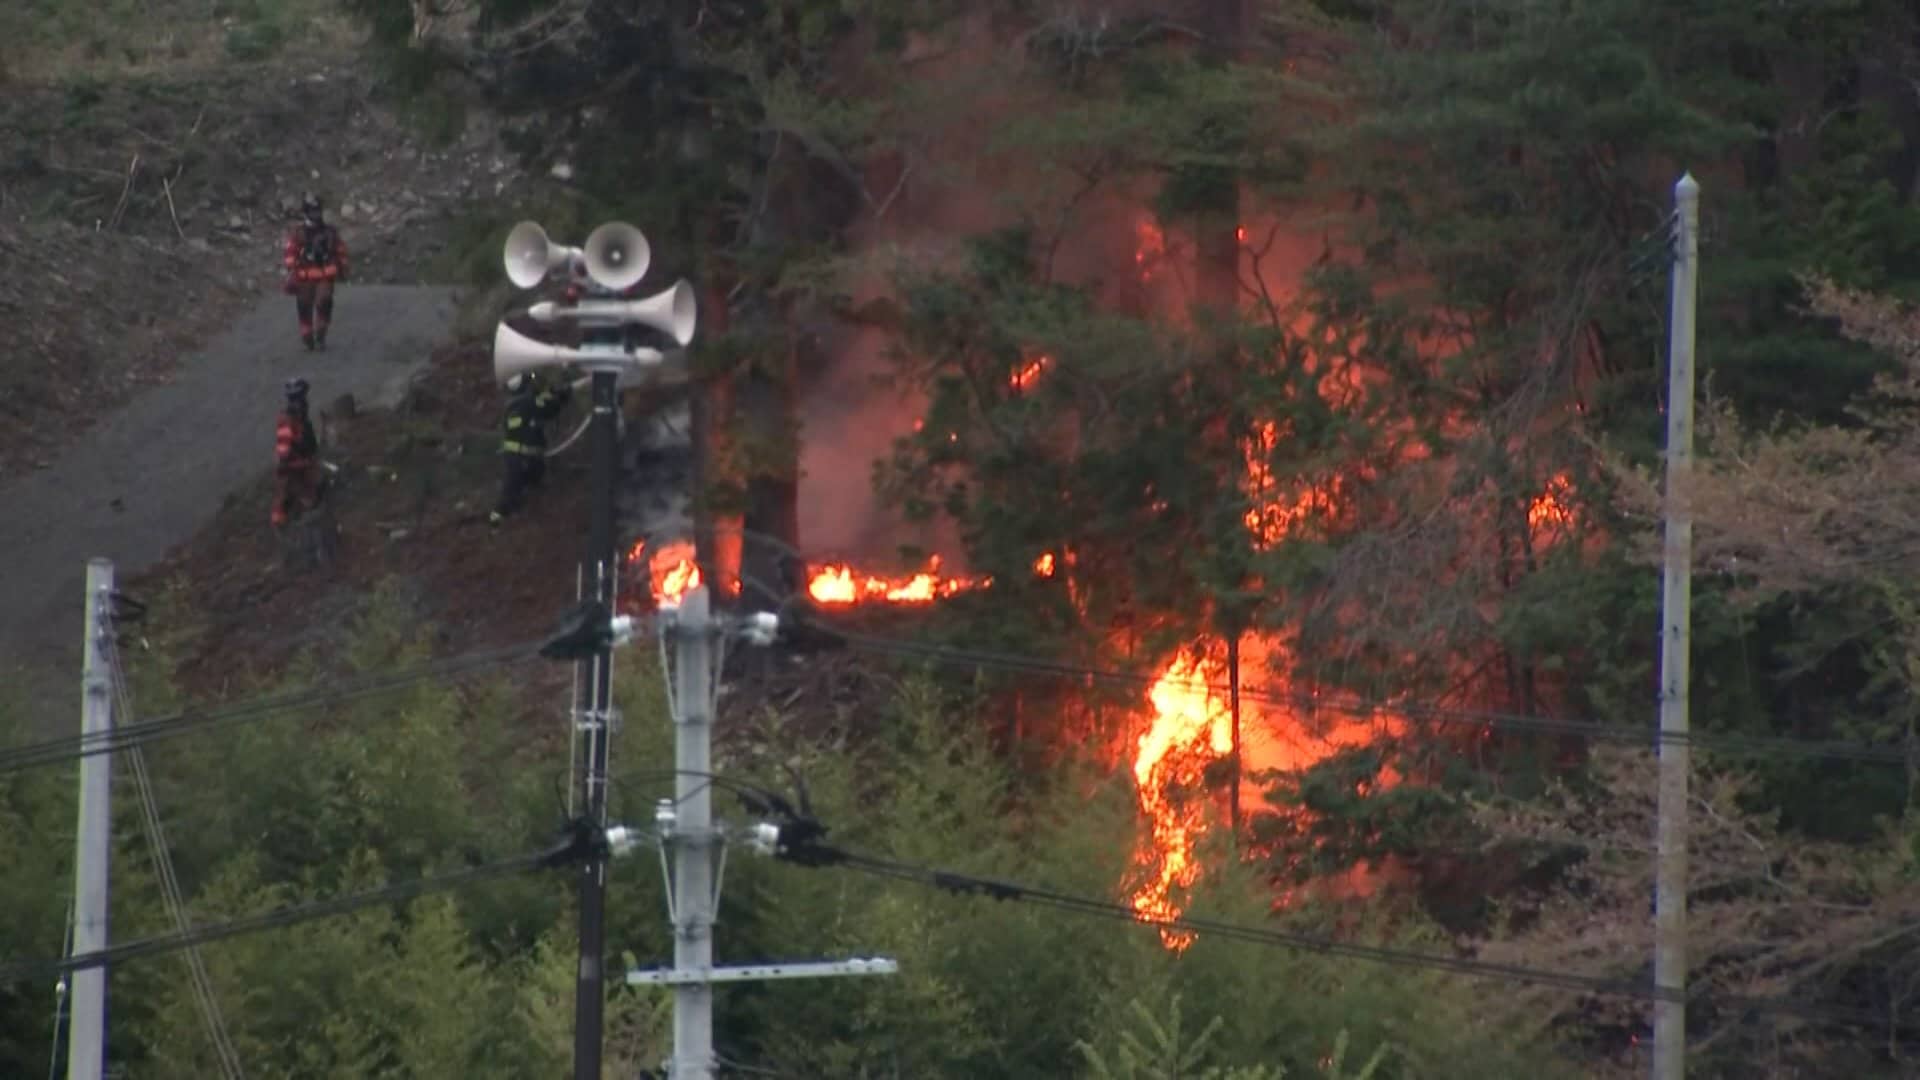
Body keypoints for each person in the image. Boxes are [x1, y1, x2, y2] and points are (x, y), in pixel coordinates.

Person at [489, 370, 572, 526]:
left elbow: (540, 406)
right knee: (513, 489)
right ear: (524, 385)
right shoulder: (528, 403)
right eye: (529, 382)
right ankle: (497, 520)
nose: (532, 384)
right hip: (522, 458)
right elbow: (549, 408)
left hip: (519, 457)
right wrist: (562, 396)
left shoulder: (513, 404)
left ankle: (508, 518)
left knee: (524, 488)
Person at [282, 193, 348, 351]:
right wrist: (292, 266)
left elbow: (340, 251)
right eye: (312, 212)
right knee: (304, 305)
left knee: (324, 301)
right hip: (304, 278)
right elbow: (290, 252)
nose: (316, 215)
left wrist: (342, 268)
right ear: (306, 213)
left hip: (325, 275)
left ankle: (321, 333)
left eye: (317, 211)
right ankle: (307, 334)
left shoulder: (330, 232)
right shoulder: (299, 233)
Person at [273, 378, 322, 527]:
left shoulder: (302, 419)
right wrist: (302, 464)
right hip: (292, 471)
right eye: (302, 398)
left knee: (319, 486)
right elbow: (284, 458)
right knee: (306, 502)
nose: (305, 402)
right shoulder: (287, 422)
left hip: (303, 465)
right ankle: (281, 522)